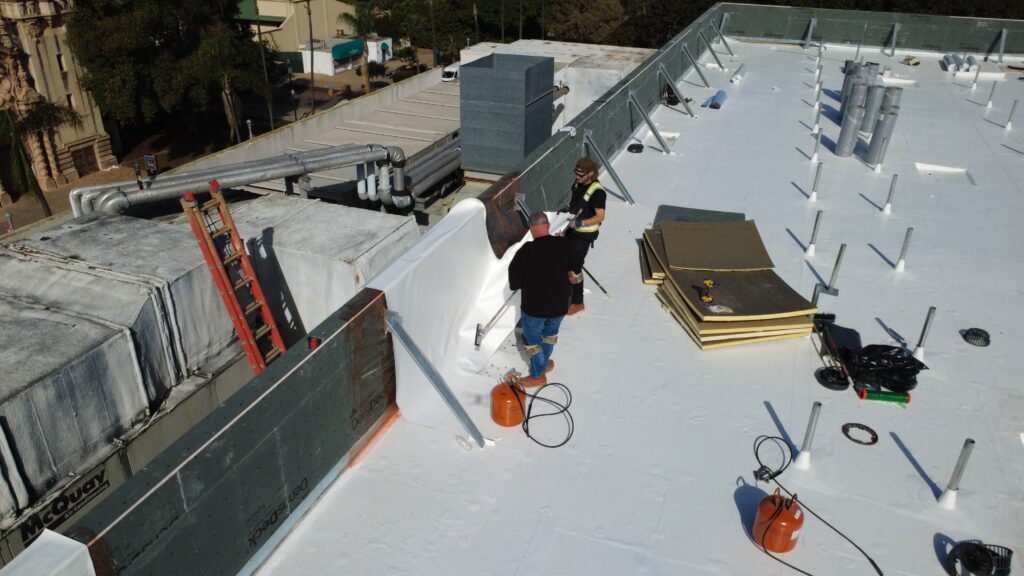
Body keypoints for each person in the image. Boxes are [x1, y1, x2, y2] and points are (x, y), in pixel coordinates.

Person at [508, 212, 570, 388]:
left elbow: (514, 283)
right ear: (548, 226)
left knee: (533, 341)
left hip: (535, 308)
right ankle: (544, 363)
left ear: (531, 228)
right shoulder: (564, 244)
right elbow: (574, 265)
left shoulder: (526, 251)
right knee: (550, 336)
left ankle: (537, 374)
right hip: (559, 306)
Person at [565, 157, 606, 316]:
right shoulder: (577, 184)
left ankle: (577, 302)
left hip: (584, 236)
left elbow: (600, 216)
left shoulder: (597, 192)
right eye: (576, 174)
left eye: (580, 175)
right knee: (564, 261)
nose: (577, 178)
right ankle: (566, 293)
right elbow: (573, 204)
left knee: (574, 269)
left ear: (590, 174)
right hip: (571, 229)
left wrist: (580, 223)